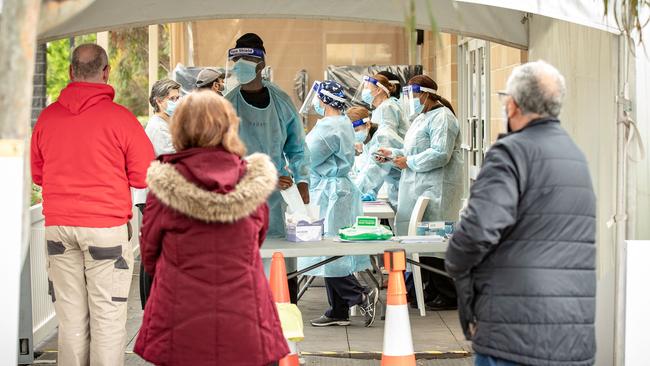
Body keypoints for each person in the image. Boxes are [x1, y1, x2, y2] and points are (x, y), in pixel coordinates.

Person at [445, 61, 596, 366]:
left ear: (512, 105)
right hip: (573, 333)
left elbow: (477, 231)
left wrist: (453, 259)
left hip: (513, 331)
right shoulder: (575, 155)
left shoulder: (511, 153)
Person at [134, 91, 289, 366]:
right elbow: (258, 237)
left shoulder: (164, 184)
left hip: (179, 315)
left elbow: (149, 255)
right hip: (245, 313)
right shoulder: (250, 180)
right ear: (229, 127)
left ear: (179, 128)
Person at [30, 44, 154, 366]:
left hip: (58, 229)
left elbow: (38, 174)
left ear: (71, 72)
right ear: (106, 71)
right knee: (108, 317)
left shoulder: (47, 118)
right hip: (105, 231)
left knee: (70, 318)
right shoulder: (121, 119)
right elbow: (144, 177)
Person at [224, 33, 310, 303]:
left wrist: (303, 182)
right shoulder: (227, 105)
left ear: (261, 64)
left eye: (247, 58)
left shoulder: (281, 102)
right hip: (239, 198)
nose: (240, 64)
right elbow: (220, 158)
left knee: (278, 267)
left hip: (275, 200)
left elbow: (297, 147)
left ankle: (282, 323)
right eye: (236, 59)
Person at [297, 81, 378, 328]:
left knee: (328, 250)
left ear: (323, 100)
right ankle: (338, 310)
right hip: (340, 191)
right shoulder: (342, 122)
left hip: (330, 193)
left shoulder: (326, 128)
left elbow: (306, 158)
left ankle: (358, 294)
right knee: (334, 249)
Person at [378, 75, 463, 311]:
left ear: (425, 94)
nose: (412, 100)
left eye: (414, 95)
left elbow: (440, 153)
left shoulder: (443, 118)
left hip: (437, 188)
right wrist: (392, 154)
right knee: (421, 243)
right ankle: (428, 290)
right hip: (418, 185)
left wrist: (410, 161)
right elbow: (410, 150)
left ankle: (448, 295)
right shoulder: (421, 118)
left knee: (434, 243)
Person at [134, 78, 182, 309]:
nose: (176, 102)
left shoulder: (170, 122)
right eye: (171, 99)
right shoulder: (156, 126)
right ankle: (151, 302)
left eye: (177, 97)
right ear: (158, 101)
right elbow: (171, 156)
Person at [354, 74, 408, 207]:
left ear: (379, 90)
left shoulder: (386, 108)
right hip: (395, 173)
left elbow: (382, 149)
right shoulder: (383, 108)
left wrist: (361, 189)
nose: (364, 91)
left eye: (367, 88)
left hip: (399, 173)